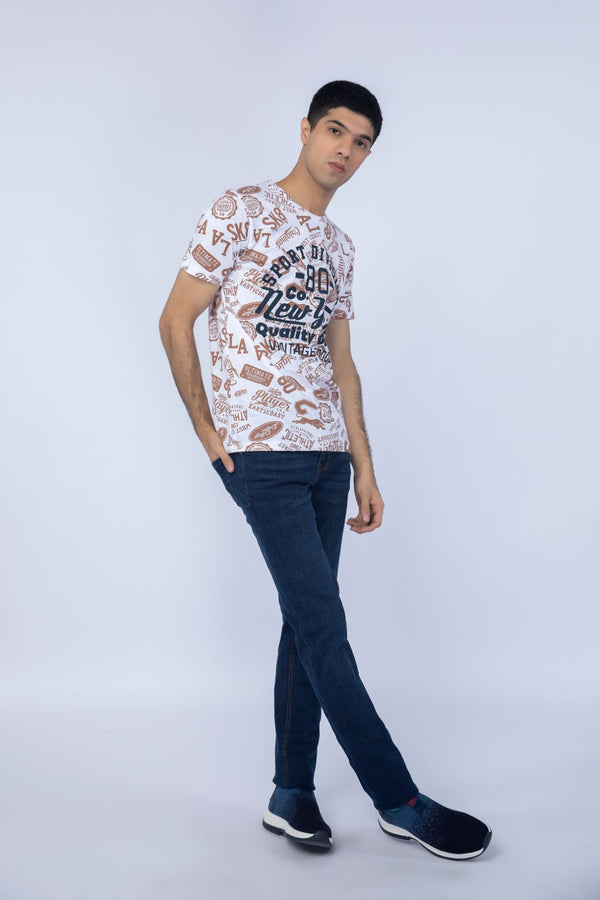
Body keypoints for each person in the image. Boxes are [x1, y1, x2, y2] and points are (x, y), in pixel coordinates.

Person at [159, 80, 492, 860]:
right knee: (324, 626)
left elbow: (343, 363)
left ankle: (291, 794)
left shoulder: (340, 247)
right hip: (260, 455)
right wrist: (206, 428)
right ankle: (398, 799)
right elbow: (176, 318)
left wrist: (364, 465)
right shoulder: (239, 209)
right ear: (306, 128)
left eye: (362, 141)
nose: (346, 149)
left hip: (327, 458)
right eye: (336, 130)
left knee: (304, 623)